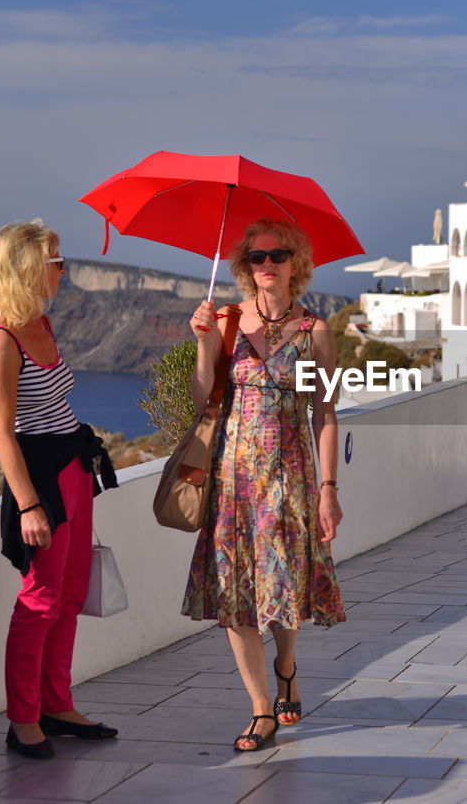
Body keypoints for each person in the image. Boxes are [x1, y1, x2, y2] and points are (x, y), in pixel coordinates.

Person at [182, 219, 346, 753]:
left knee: (283, 584)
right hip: (232, 478)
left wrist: (328, 488)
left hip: (291, 475)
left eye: (278, 255)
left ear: (295, 263)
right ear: (244, 267)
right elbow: (201, 395)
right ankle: (260, 709)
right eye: (257, 257)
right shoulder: (226, 320)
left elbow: (325, 413)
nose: (267, 264)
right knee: (234, 593)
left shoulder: (314, 331)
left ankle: (287, 665)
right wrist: (204, 344)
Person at [0, 220, 119, 760]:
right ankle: (23, 719)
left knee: (70, 594)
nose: (64, 269)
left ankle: (57, 704)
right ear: (27, 267)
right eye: (55, 260)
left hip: (73, 469)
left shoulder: (42, 322)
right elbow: (1, 432)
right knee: (38, 601)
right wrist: (30, 503)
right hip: (39, 482)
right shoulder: (1, 339)